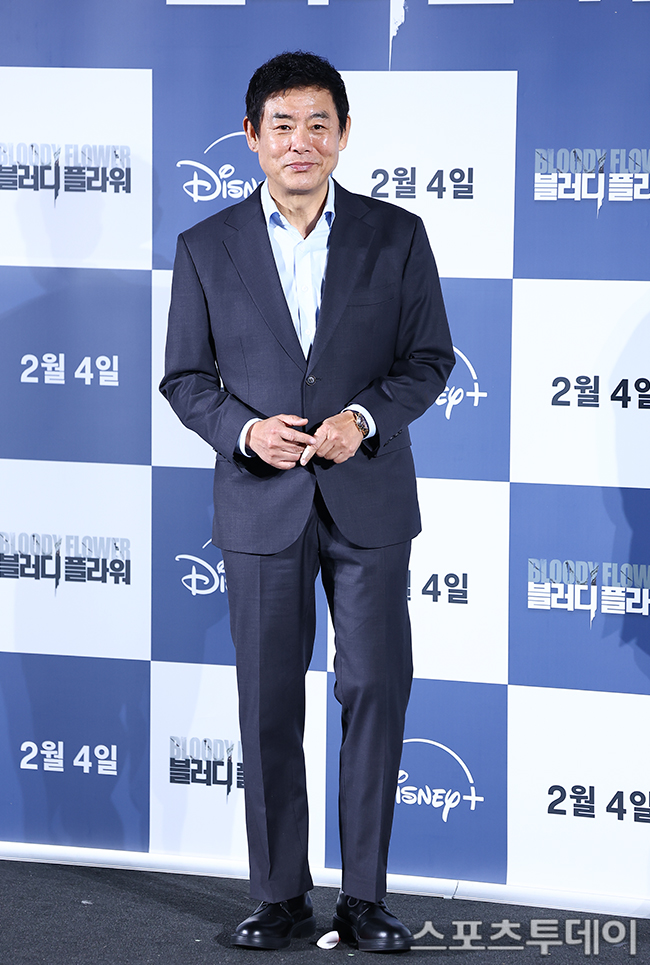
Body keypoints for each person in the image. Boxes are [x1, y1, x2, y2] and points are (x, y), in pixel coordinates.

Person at [161, 51, 455, 952]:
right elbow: (185, 378)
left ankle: (364, 897)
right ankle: (280, 894)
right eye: (282, 125)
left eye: (318, 123)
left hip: (369, 501)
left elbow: (429, 360)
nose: (301, 141)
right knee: (266, 702)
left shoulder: (397, 235)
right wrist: (246, 432)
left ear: (344, 133)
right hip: (260, 503)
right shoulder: (204, 246)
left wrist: (362, 419)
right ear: (251, 136)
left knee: (374, 689)